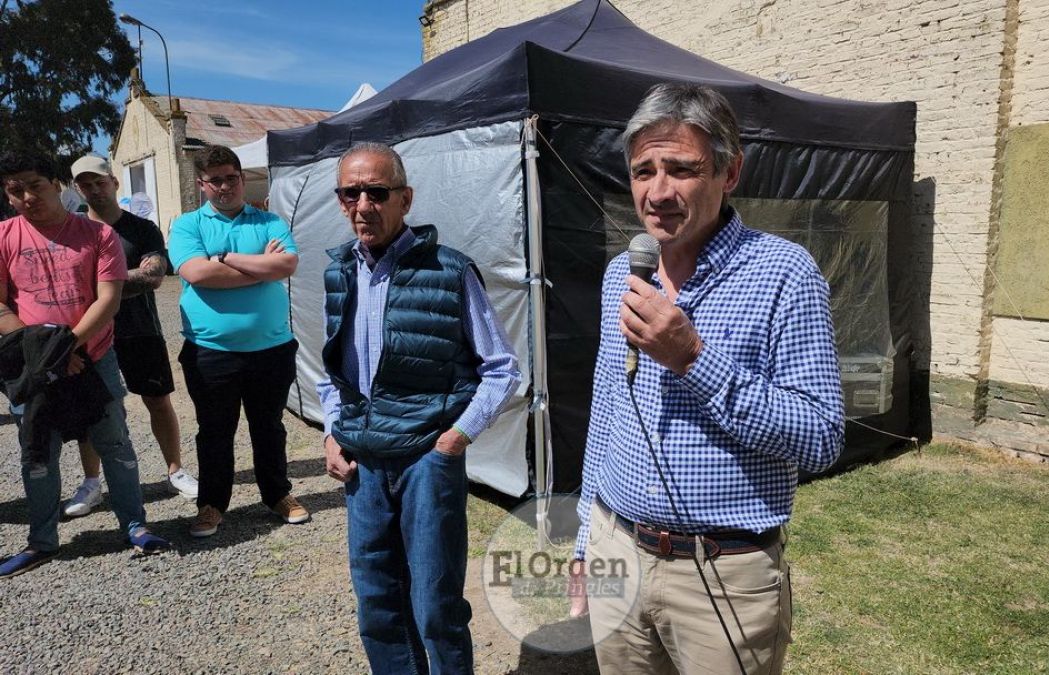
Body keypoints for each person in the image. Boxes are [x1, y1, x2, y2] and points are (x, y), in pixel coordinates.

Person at [570, 83, 845, 674]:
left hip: (723, 574)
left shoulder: (785, 274)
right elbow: (606, 410)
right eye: (643, 171)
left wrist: (693, 358)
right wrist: (586, 539)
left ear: (729, 172)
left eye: (681, 169)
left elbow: (821, 438)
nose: (658, 192)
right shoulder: (623, 273)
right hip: (618, 550)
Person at [317, 142, 520, 674]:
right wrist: (332, 433)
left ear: (405, 199)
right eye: (351, 193)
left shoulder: (449, 270)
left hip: (427, 460)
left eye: (377, 192)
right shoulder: (339, 272)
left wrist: (454, 439)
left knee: (435, 605)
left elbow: (502, 368)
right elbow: (334, 372)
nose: (363, 205)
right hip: (363, 463)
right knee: (377, 604)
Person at [0, 151, 171, 578]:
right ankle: (42, 541)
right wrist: (47, 354)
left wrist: (67, 348)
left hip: (94, 358)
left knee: (115, 444)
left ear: (57, 185)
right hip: (33, 366)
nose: (26, 197)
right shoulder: (3, 237)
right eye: (15, 190)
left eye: (35, 186)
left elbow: (108, 299)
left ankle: (135, 525)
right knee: (38, 454)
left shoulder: (97, 235)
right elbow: (1, 305)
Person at [167, 145, 308, 538]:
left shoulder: (269, 220)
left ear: (243, 179)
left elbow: (287, 264)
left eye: (232, 177)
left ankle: (277, 494)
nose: (225, 186)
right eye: (216, 180)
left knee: (270, 427)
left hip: (271, 349)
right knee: (215, 431)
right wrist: (259, 266)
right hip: (210, 352)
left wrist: (225, 258)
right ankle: (212, 504)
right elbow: (197, 274)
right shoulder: (187, 225)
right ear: (202, 184)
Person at [57, 155, 198, 518]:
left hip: (140, 330)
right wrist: (118, 281)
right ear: (77, 190)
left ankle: (175, 470)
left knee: (158, 400)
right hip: (89, 333)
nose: (94, 190)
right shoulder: (71, 233)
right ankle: (92, 482)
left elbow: (153, 276)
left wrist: (99, 284)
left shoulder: (142, 229)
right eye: (85, 185)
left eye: (100, 182)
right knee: (92, 409)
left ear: (114, 183)